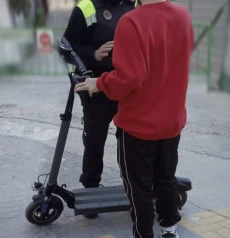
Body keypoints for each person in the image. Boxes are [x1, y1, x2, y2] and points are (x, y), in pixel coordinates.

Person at [75, 0, 194, 237]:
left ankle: (143, 233)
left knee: (139, 188)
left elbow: (130, 78)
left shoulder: (132, 21)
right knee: (165, 179)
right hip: (172, 121)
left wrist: (98, 83)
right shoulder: (183, 17)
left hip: (139, 126)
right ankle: (170, 229)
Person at [62, 0, 136, 219]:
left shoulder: (135, 5)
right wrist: (94, 54)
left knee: (131, 139)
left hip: (126, 85)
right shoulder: (88, 7)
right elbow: (67, 46)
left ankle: (135, 187)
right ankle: (91, 188)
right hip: (96, 87)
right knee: (94, 140)